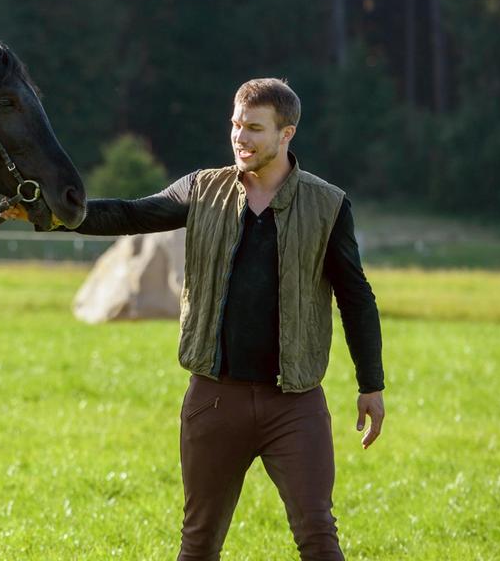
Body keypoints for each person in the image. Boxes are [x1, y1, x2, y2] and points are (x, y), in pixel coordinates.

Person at [70, 78, 385, 560]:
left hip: (295, 405)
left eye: (254, 128)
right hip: (214, 401)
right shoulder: (201, 189)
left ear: (286, 134)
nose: (240, 137)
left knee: (319, 537)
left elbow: (356, 296)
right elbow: (130, 215)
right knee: (198, 543)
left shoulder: (328, 205)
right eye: (236, 124)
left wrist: (371, 384)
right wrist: (53, 212)